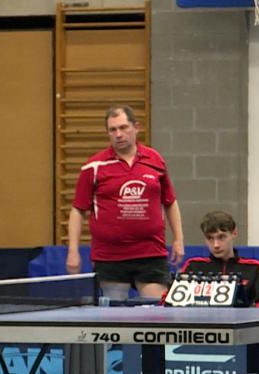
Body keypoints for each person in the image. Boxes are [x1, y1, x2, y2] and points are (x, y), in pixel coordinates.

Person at [66, 105, 184, 300]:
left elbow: (170, 202)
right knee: (115, 318)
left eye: (123, 127)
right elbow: (78, 210)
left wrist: (178, 239)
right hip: (110, 257)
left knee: (155, 314)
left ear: (136, 127)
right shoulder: (93, 167)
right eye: (113, 130)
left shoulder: (155, 161)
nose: (118, 134)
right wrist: (73, 251)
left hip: (150, 254)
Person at [177, 210, 259, 308]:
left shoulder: (253, 267)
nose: (216, 245)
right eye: (210, 238)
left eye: (221, 237)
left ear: (234, 233)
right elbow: (170, 300)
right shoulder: (193, 266)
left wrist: (249, 317)